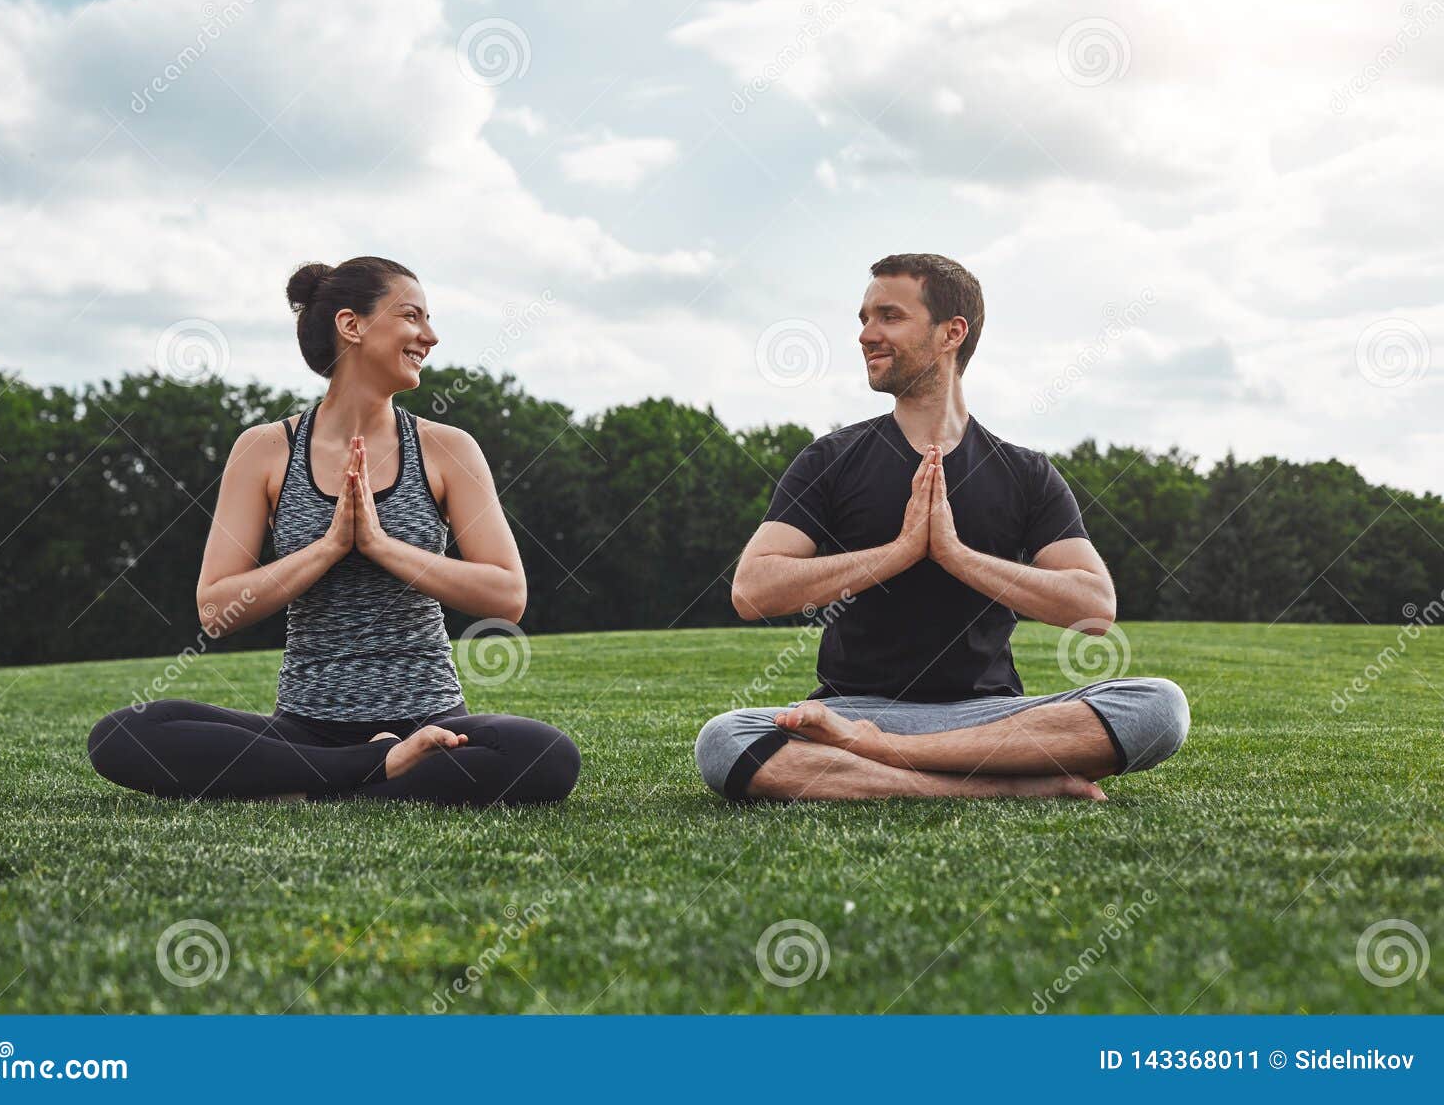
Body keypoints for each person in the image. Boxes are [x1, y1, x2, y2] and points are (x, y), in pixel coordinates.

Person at [695, 253, 1188, 802]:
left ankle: (886, 760)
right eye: (863, 318)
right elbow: (752, 590)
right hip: (853, 708)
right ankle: (999, 788)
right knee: (725, 739)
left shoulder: (1025, 472)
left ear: (952, 332)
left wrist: (956, 555)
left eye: (888, 316)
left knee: (1158, 706)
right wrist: (901, 550)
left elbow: (1093, 606)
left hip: (989, 717)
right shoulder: (829, 460)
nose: (866, 335)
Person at [88, 257, 580, 805]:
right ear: (353, 325)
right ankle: (373, 767)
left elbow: (507, 596)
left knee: (548, 755)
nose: (431, 336)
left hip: (433, 721)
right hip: (305, 729)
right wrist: (327, 549)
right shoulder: (265, 449)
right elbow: (214, 609)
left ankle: (320, 784)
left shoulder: (448, 448)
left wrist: (380, 546)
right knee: (124, 734)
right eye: (412, 316)